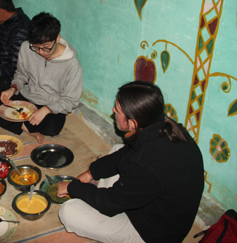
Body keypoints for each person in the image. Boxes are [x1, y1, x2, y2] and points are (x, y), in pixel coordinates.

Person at [57, 81, 204, 243]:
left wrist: (73, 187)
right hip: (152, 201)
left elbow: (109, 203)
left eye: (118, 110)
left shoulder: (147, 164)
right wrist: (91, 172)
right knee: (118, 149)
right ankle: (102, 192)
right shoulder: (164, 126)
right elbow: (126, 154)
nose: (113, 111)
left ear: (133, 123)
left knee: (68, 211)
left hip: (152, 232)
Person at [0, 12, 83, 143]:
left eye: (46, 48)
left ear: (58, 38)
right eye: (36, 47)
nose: (41, 52)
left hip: (50, 105)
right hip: (26, 97)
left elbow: (71, 100)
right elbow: (21, 74)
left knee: (52, 128)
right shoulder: (26, 47)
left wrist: (46, 109)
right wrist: (13, 88)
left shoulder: (72, 65)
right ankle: (24, 127)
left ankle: (24, 123)